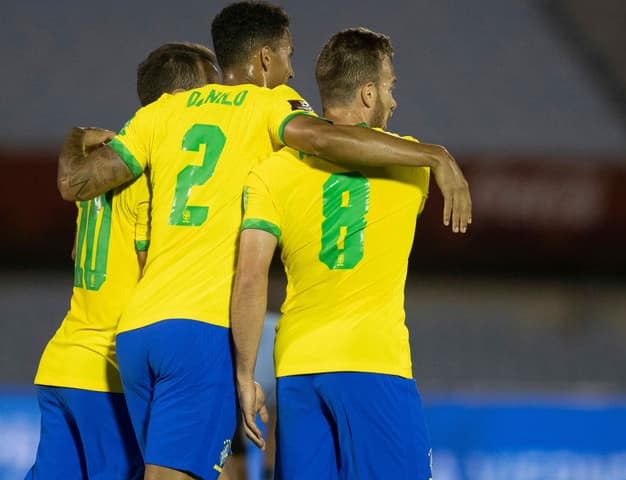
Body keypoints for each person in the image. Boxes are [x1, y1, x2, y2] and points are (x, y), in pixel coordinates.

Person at [56, 2, 471, 479]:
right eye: (288, 55)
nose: (292, 69)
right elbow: (331, 139)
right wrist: (435, 155)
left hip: (145, 334)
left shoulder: (175, 120)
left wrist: (73, 139)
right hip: (221, 332)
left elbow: (75, 185)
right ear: (266, 59)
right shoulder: (288, 116)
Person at [231, 27, 449, 479]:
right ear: (368, 92)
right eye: (389, 87)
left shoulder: (272, 173)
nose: (393, 100)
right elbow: (363, 152)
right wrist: (437, 156)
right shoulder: (413, 165)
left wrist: (246, 374)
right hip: (374, 365)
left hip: (298, 372)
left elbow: (250, 277)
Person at [25, 42, 219, 480]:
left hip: (62, 361)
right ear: (182, 99)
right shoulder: (150, 173)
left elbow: (82, 251)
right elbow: (154, 266)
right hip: (106, 372)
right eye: (212, 90)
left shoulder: (102, 165)